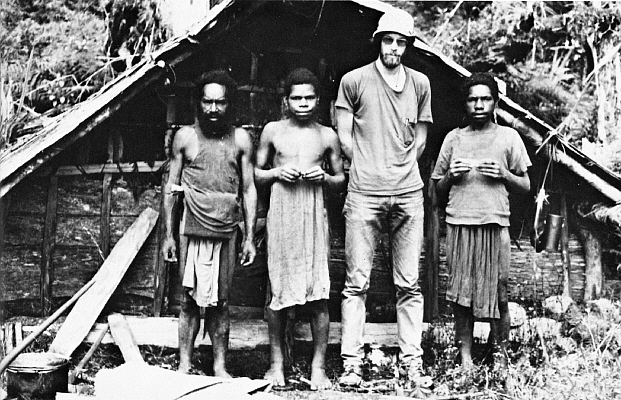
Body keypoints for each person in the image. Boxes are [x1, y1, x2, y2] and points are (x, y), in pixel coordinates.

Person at [335, 9, 433, 387]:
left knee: (409, 283)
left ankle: (412, 362)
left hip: (408, 194)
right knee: (356, 283)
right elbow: (344, 133)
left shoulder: (421, 83)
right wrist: (365, 167)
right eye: (388, 40)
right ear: (378, 41)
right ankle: (351, 363)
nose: (394, 48)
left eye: (401, 42)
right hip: (364, 193)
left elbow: (422, 136)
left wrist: (403, 168)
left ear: (408, 45)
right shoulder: (354, 80)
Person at [431, 72, 531, 370]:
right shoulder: (454, 138)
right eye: (473, 99)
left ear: (495, 103)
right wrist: (451, 175)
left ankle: (500, 360)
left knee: (499, 293)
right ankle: (466, 361)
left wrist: (503, 175)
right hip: (460, 223)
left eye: (485, 99)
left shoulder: (508, 137)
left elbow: (526, 185)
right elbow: (436, 190)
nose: (478, 105)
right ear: (465, 103)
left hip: (495, 223)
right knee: (462, 296)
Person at [162, 70, 257, 377]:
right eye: (208, 102)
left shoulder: (241, 139)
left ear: (230, 104)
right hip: (191, 228)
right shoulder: (185, 137)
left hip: (226, 229)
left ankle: (219, 367)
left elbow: (248, 189)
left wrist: (250, 237)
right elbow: (170, 189)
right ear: (198, 103)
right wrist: (168, 236)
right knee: (188, 301)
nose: (213, 109)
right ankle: (185, 365)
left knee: (222, 302)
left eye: (220, 102)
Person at [255, 68, 345, 390]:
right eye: (297, 98)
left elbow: (340, 180)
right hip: (282, 215)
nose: (303, 103)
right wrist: (278, 172)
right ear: (286, 100)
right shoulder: (273, 131)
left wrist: (325, 179)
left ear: (318, 100)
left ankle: (317, 367)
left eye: (309, 98)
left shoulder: (326, 135)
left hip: (312, 215)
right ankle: (276, 364)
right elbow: (255, 174)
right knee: (278, 292)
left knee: (318, 294)